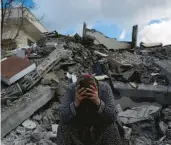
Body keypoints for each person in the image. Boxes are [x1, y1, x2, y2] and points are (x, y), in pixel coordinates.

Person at [57, 74, 122, 145]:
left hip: (99, 127)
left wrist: (98, 102)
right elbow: (62, 116)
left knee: (112, 126)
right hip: (79, 127)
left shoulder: (104, 88)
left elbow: (112, 116)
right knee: (63, 126)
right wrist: (75, 103)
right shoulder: (72, 89)